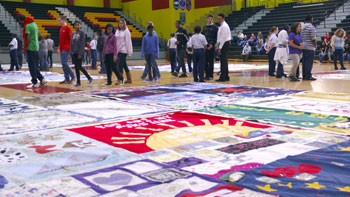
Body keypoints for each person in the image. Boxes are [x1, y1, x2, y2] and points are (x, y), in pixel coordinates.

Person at [19, 14, 47, 88]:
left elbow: (28, 37)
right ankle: (41, 78)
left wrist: (26, 46)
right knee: (35, 65)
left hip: (30, 47)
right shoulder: (34, 24)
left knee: (32, 66)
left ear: (22, 20)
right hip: (36, 47)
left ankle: (34, 82)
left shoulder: (28, 26)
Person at [71, 21, 93, 87]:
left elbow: (82, 43)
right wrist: (71, 52)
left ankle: (89, 78)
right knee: (76, 68)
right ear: (74, 26)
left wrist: (80, 53)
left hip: (79, 53)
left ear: (80, 26)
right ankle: (78, 82)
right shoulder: (73, 34)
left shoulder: (82, 33)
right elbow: (71, 44)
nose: (77, 26)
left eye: (78, 25)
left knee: (79, 67)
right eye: (76, 25)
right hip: (74, 53)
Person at [58, 15, 75, 84]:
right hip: (62, 48)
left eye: (59, 20)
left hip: (66, 48)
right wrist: (59, 48)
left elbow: (71, 39)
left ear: (64, 20)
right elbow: (61, 40)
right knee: (63, 64)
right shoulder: (61, 29)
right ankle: (67, 79)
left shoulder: (68, 28)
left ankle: (73, 76)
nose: (58, 22)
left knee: (64, 63)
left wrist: (71, 50)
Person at [116, 18, 133, 83]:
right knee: (124, 65)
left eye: (122, 23)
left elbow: (128, 42)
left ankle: (120, 79)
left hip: (124, 50)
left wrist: (129, 52)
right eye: (119, 23)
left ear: (124, 24)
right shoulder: (117, 31)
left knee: (120, 64)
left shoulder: (126, 31)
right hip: (118, 50)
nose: (120, 24)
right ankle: (129, 79)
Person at [301, 15, 317, 80]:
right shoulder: (311, 27)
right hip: (310, 46)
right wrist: (315, 45)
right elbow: (313, 38)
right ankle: (308, 75)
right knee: (309, 62)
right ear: (311, 19)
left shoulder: (302, 28)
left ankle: (304, 75)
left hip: (303, 46)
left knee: (304, 62)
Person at [216, 13, 231, 82]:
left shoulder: (224, 26)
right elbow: (219, 38)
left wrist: (220, 48)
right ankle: (226, 76)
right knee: (224, 61)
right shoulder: (221, 26)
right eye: (218, 18)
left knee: (223, 61)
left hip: (224, 44)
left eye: (220, 19)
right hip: (222, 44)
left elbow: (223, 38)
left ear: (223, 19)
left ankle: (223, 77)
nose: (218, 20)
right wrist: (218, 45)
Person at [203, 14, 218, 80]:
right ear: (207, 19)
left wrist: (212, 45)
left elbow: (216, 37)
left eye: (211, 19)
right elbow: (203, 37)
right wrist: (204, 45)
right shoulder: (204, 27)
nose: (209, 20)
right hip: (205, 46)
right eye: (209, 18)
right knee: (205, 61)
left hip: (212, 46)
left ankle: (211, 75)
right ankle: (206, 75)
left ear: (212, 19)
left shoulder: (215, 27)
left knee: (211, 61)